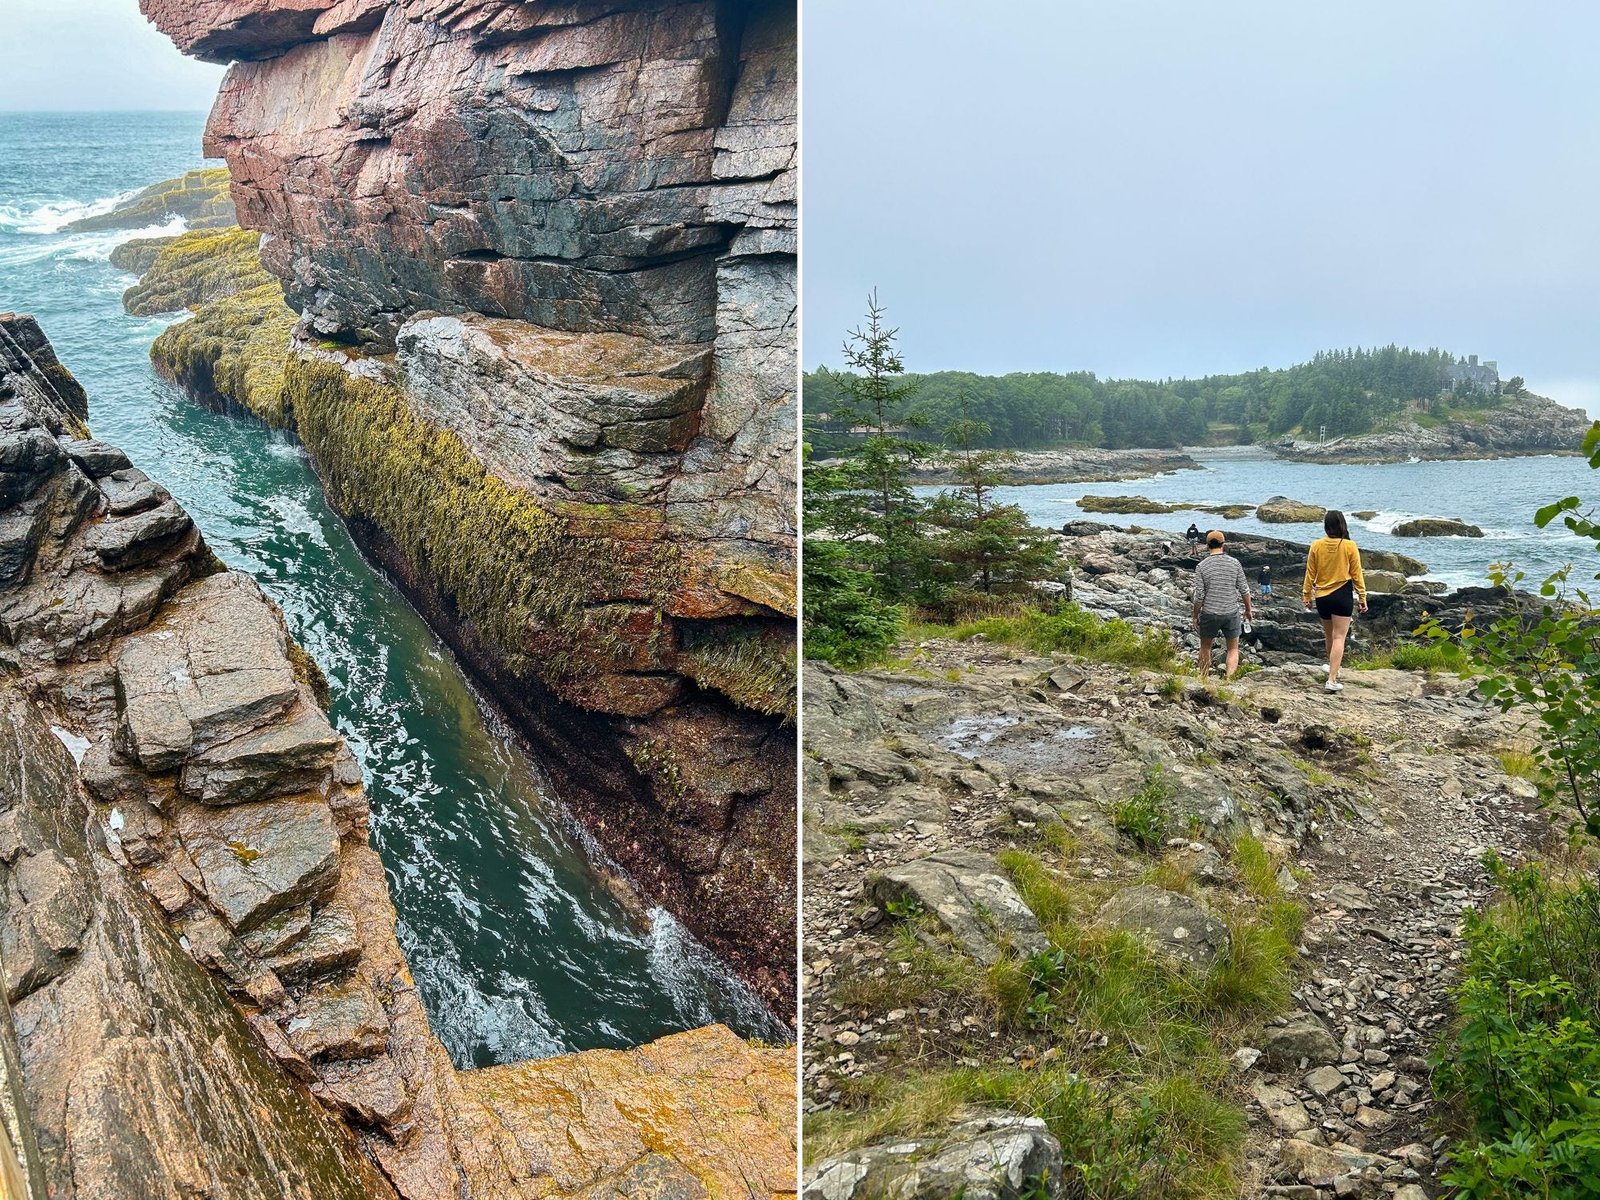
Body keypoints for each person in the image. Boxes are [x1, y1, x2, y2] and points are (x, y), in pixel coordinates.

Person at [1302, 509, 1368, 693]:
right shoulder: (1349, 545)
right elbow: (1357, 574)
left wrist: (1307, 595)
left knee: (1329, 635)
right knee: (1340, 637)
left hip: (1322, 597)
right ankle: (1332, 678)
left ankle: (1332, 667)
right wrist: (1362, 597)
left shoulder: (1316, 545)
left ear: (1326, 526)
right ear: (1342, 525)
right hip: (1342, 595)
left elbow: (1310, 572)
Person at [1191, 529, 1251, 681]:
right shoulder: (1235, 563)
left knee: (1205, 647)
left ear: (1207, 545)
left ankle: (1204, 678)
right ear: (1223, 544)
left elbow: (1199, 596)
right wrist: (1248, 610)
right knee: (1232, 648)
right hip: (1231, 612)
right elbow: (1244, 589)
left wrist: (1195, 615)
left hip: (1209, 612)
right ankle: (1229, 680)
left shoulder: (1201, 566)